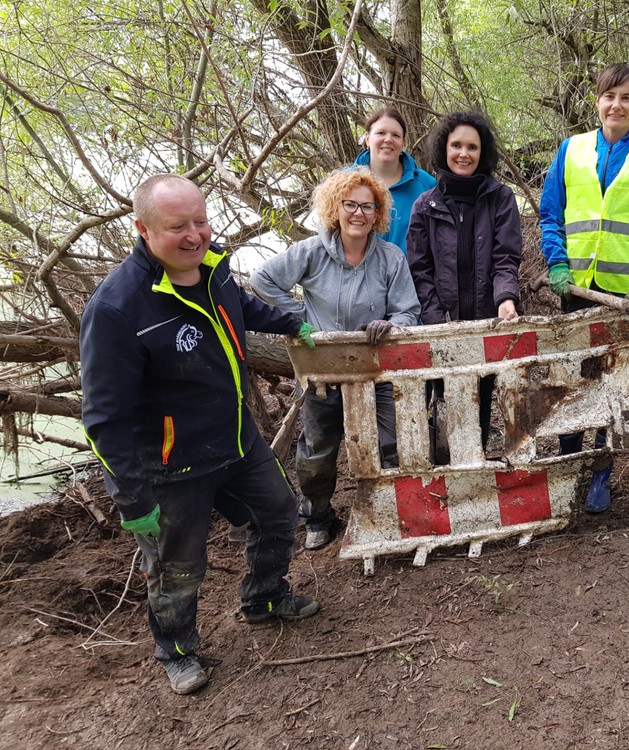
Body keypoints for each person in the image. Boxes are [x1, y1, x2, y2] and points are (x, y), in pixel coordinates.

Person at [80, 175, 320, 696]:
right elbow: (103, 418)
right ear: (144, 230)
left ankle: (264, 597)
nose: (195, 235)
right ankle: (176, 649)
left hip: (234, 440)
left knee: (279, 512)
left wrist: (288, 321)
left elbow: (242, 309)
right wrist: (130, 497)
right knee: (176, 565)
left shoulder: (213, 271)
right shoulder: (117, 310)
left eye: (201, 221)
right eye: (177, 227)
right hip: (169, 465)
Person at [251, 167, 420, 549]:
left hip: (374, 367)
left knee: (390, 440)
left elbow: (409, 310)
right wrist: (297, 319)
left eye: (368, 206)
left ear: (378, 214)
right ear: (335, 208)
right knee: (318, 447)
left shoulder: (390, 258)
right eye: (350, 205)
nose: (358, 214)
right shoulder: (312, 252)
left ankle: (390, 508)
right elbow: (263, 280)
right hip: (322, 369)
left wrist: (389, 324)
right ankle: (318, 516)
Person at [540, 62, 629, 512]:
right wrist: (557, 263)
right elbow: (551, 215)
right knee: (570, 379)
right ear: (597, 101)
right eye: (609, 96)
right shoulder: (572, 149)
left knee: (614, 384)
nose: (616, 105)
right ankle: (568, 462)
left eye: (625, 98)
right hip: (577, 288)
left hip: (627, 291)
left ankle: (601, 470)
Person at [407, 110, 522, 451]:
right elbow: (420, 270)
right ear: (444, 148)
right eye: (456, 145)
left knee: (482, 397)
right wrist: (433, 317)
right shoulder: (425, 205)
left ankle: (476, 466)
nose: (463, 154)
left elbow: (506, 257)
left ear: (482, 152)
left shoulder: (500, 198)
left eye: (472, 147)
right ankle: (444, 472)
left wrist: (505, 298)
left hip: (487, 320)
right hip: (442, 324)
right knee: (443, 399)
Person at [352, 106, 435, 254]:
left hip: (410, 275)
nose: (388, 139)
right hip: (355, 275)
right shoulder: (344, 182)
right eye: (381, 133)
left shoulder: (426, 184)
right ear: (367, 139)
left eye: (396, 135)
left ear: (404, 143)